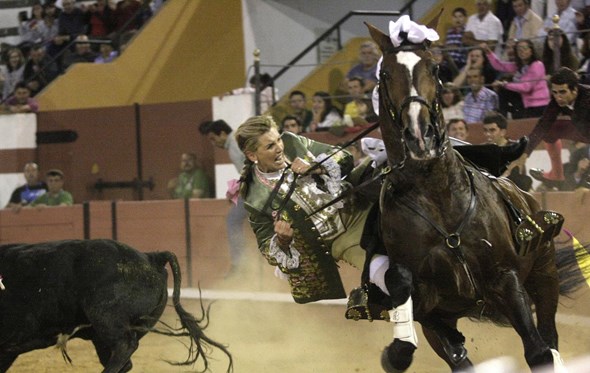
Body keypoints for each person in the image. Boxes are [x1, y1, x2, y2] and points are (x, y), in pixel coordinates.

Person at [234, 115, 416, 346]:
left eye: (278, 140)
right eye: (270, 146)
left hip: (357, 198)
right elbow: (265, 246)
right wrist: (282, 241)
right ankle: (402, 333)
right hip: (343, 239)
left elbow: (344, 159)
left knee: (391, 162)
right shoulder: (253, 195)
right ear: (252, 155)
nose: (279, 147)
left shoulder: (292, 142)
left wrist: (316, 167)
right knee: (390, 279)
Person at [521, 67, 590, 189]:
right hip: (584, 131)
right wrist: (525, 154)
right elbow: (543, 125)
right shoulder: (558, 99)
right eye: (555, 92)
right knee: (551, 129)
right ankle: (557, 173)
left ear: (575, 90)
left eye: (562, 92)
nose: (558, 97)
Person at [198, 119, 248, 270]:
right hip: (258, 187)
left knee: (233, 220)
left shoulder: (235, 146)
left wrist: (238, 187)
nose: (214, 143)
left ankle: (240, 265)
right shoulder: (237, 142)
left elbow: (252, 168)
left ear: (223, 134)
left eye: (214, 138)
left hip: (258, 189)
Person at [485, 39, 550, 119]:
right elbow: (500, 66)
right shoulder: (519, 67)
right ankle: (502, 117)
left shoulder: (537, 65)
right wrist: (488, 52)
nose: (521, 51)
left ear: (531, 50)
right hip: (527, 104)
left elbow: (526, 87)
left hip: (540, 105)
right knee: (503, 91)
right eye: (519, 49)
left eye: (524, 48)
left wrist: (504, 84)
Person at [482, 111, 533, 190]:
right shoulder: (482, 150)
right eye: (485, 130)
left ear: (503, 132)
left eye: (492, 130)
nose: (488, 134)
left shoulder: (515, 148)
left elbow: (516, 177)